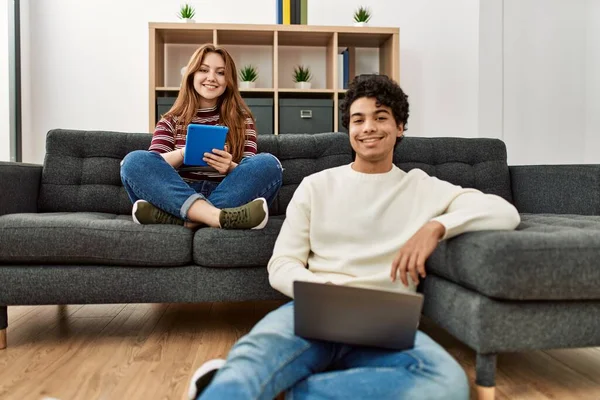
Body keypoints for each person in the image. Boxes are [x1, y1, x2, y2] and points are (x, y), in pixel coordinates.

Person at [185, 74, 521, 400]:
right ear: (350, 130)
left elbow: (504, 212)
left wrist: (436, 228)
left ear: (400, 127)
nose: (369, 128)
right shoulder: (317, 186)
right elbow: (283, 263)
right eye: (358, 120)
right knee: (251, 363)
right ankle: (239, 382)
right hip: (317, 310)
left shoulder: (424, 187)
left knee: (446, 385)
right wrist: (323, 291)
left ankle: (287, 392)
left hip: (383, 322)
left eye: (381, 117)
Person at [120, 44, 283, 230]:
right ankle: (216, 217)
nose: (211, 78)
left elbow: (250, 171)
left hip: (227, 192)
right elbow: (154, 164)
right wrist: (183, 153)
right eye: (204, 70)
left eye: (221, 73)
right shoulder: (170, 121)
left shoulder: (243, 121)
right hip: (178, 192)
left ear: (229, 80)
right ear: (192, 75)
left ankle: (183, 219)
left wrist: (229, 167)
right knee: (133, 161)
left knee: (270, 164)